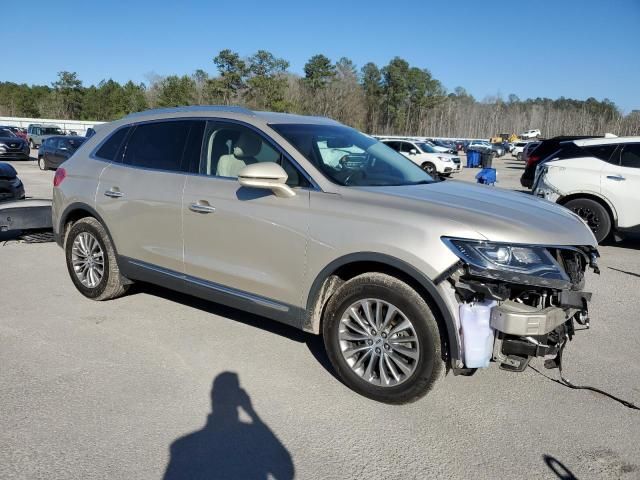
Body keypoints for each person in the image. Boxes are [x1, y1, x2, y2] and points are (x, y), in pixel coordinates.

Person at [164, 372, 294, 480]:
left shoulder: (183, 446)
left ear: (213, 397)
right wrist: (253, 414)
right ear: (239, 399)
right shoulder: (255, 438)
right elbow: (286, 473)